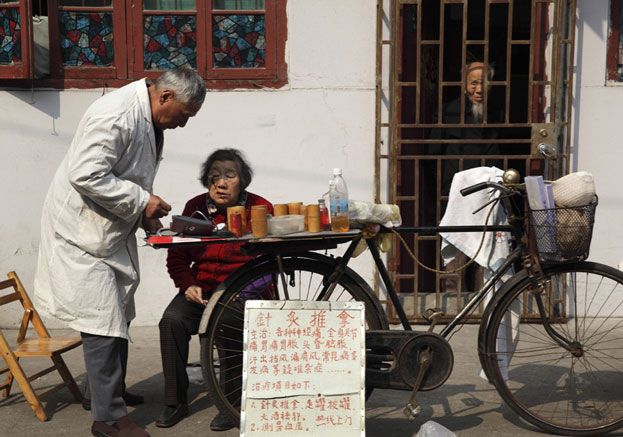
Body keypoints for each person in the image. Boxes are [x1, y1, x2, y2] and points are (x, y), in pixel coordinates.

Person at [34, 68, 206, 437]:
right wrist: (141, 201)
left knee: (119, 313)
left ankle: (106, 393)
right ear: (165, 98)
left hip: (107, 227)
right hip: (80, 232)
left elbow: (128, 172)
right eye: (183, 115)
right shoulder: (116, 113)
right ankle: (108, 418)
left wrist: (144, 212)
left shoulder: (148, 113)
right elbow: (86, 174)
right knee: (102, 322)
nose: (183, 125)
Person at [157, 148, 273, 431]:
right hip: (202, 288)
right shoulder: (195, 207)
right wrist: (188, 285)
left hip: (242, 291)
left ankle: (228, 403)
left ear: (242, 180)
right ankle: (175, 402)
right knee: (171, 321)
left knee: (228, 323)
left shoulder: (259, 208)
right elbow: (178, 255)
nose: (221, 183)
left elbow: (271, 263)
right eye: (214, 177)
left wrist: (242, 294)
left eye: (229, 175)